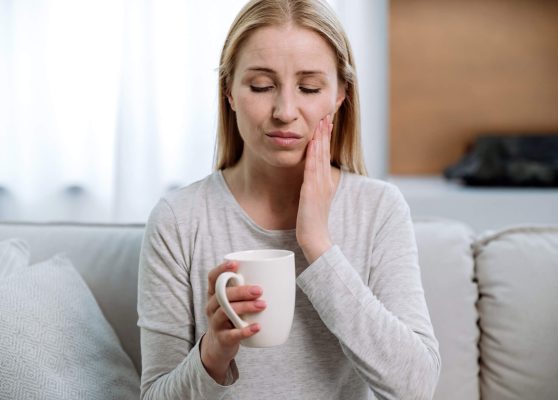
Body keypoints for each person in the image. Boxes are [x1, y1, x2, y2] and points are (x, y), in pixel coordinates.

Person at [137, 0, 441, 399]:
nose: (284, 111)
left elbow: (417, 386)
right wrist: (212, 355)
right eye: (261, 86)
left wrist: (317, 244)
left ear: (340, 95)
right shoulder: (179, 220)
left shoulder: (378, 209)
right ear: (228, 91)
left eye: (310, 88)